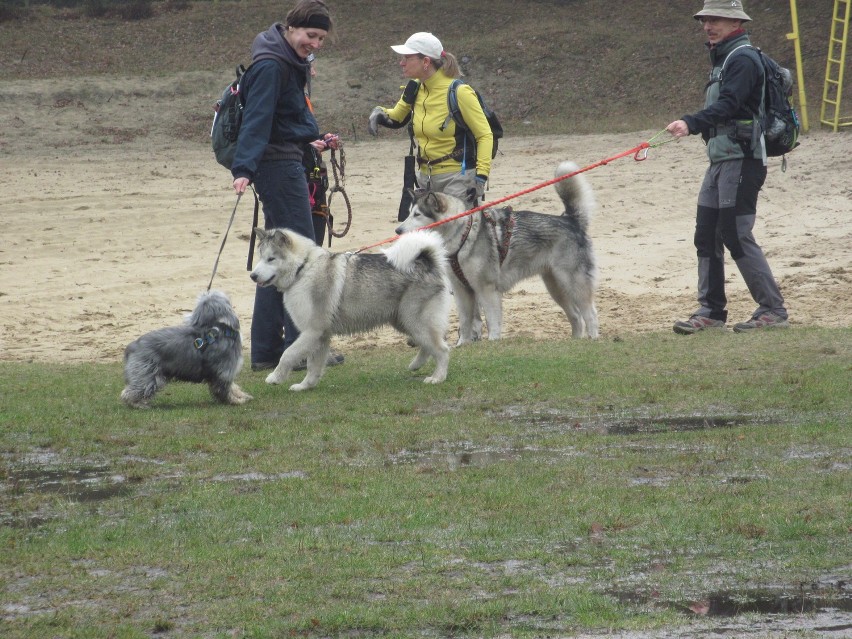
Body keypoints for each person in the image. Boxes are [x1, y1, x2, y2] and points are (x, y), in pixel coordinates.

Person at [230, 0, 344, 370]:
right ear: (292, 28)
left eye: (321, 39)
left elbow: (281, 119)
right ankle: (298, 350)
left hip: (286, 159)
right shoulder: (272, 65)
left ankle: (267, 352)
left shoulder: (288, 61)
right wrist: (244, 168)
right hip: (276, 168)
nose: (315, 44)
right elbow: (257, 120)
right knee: (301, 257)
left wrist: (309, 140)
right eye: (311, 35)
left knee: (278, 259)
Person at [666, 0, 789, 335]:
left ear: (736, 23)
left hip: (743, 160)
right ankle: (711, 311)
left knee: (736, 233)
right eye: (706, 20)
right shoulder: (722, 60)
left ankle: (773, 309)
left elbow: (729, 104)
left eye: (717, 19)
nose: (709, 26)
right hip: (720, 161)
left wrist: (690, 123)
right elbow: (725, 109)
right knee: (706, 234)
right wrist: (698, 127)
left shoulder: (744, 58)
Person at [368, 32, 493, 207]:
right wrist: (378, 112)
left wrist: (480, 178)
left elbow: (485, 135)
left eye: (407, 57)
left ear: (426, 62)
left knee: (455, 233)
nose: (401, 62)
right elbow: (396, 115)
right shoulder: (415, 87)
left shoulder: (460, 92)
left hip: (458, 179)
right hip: (425, 179)